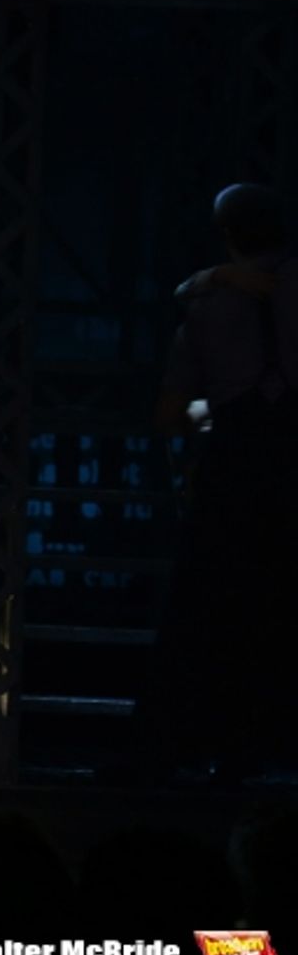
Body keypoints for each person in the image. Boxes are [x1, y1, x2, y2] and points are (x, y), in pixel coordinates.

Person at [151, 182, 298, 778]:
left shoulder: (207, 303)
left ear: (228, 235)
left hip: (235, 464)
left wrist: (212, 412)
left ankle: (202, 745)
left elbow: (170, 413)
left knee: (214, 602)